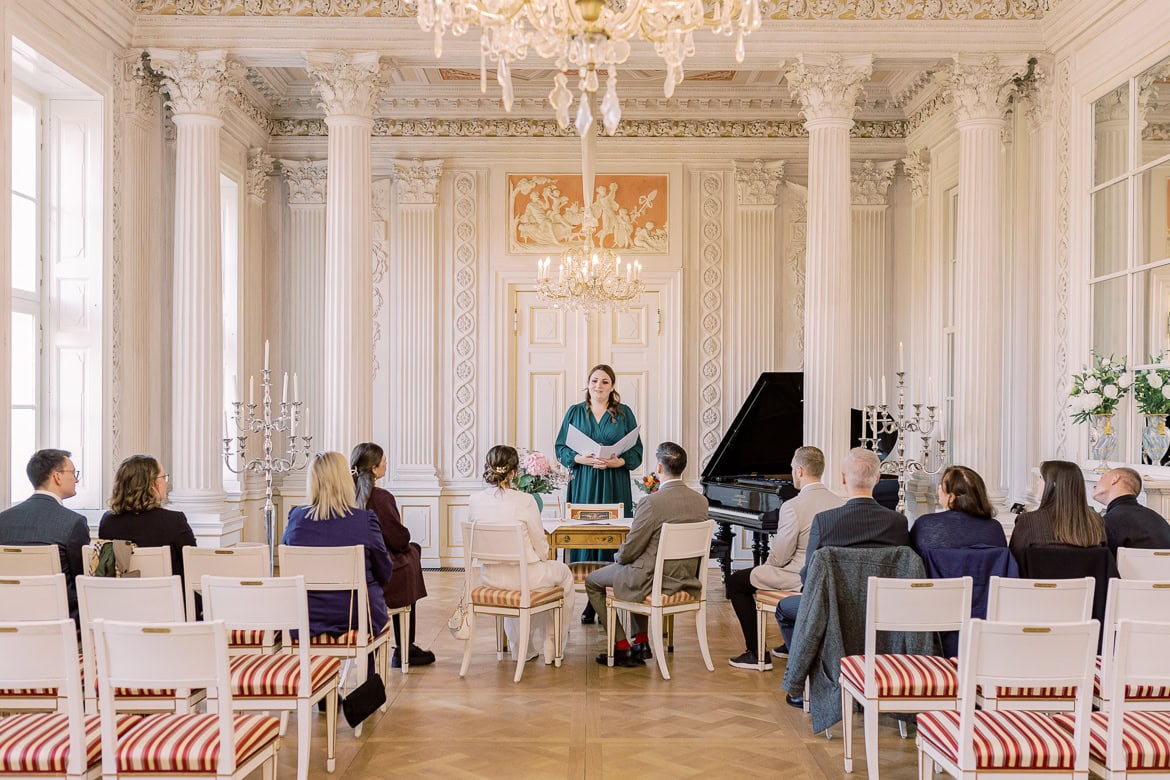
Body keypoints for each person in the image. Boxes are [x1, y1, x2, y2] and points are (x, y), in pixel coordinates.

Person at [776, 447, 909, 705]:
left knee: (785, 609)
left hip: (832, 609)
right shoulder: (897, 522)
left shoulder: (826, 521)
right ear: (878, 479)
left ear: (843, 479)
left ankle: (811, 682)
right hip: (883, 612)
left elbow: (809, 575)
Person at [584, 442, 710, 668]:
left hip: (653, 579)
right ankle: (641, 642)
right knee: (636, 568)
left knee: (593, 581)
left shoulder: (651, 503)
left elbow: (631, 548)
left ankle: (621, 646)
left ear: (660, 469)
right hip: (686, 578)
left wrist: (619, 558)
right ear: (683, 468)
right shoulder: (701, 501)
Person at [725, 446, 843, 671]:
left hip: (796, 576)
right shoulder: (839, 502)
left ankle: (756, 653)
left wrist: (765, 568)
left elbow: (780, 556)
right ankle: (792, 644)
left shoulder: (793, 506)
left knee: (737, 582)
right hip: (827, 575)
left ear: (799, 471)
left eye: (791, 469)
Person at [467, 445, 574, 664]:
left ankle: (521, 648)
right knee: (563, 575)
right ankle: (553, 644)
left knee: (522, 577)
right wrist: (544, 558)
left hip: (490, 578)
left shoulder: (474, 500)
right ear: (514, 472)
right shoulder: (525, 501)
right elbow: (541, 546)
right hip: (525, 578)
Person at [555, 363, 643, 624]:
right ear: (588, 383)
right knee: (585, 535)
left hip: (614, 481)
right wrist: (580, 458)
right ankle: (591, 600)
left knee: (612, 535)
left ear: (612, 386)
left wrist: (619, 462)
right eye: (594, 381)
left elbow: (636, 451)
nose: (599, 386)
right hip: (584, 481)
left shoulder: (624, 413)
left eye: (605, 382)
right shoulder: (575, 412)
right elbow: (560, 448)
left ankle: (608, 596)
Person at [283, 451, 393, 640]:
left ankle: (315, 669)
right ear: (345, 480)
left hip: (306, 615)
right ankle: (369, 670)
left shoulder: (296, 518)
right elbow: (384, 571)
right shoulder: (364, 520)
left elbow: (289, 570)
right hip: (357, 615)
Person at [350, 442, 435, 668]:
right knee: (411, 555)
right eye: (384, 459)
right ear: (375, 468)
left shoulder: (344, 496)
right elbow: (398, 540)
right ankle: (405, 646)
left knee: (411, 554)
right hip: (378, 575)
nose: (387, 462)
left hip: (350, 572)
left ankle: (405, 646)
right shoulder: (380, 498)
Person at [0, 448, 90, 621]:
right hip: (61, 619)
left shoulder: (3, 520)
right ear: (57, 476)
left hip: (8, 617)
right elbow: (82, 579)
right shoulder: (73, 522)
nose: (76, 479)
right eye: (73, 472)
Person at [98, 455, 196, 580]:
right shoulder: (174, 521)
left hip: (124, 596)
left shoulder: (108, 522)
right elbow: (192, 565)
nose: (166, 483)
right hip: (167, 597)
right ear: (150, 484)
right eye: (163, 477)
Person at [1009, 459, 1107, 564]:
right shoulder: (1096, 522)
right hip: (1088, 580)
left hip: (1038, 580)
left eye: (1041, 478)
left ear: (1053, 484)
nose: (1038, 482)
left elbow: (1014, 564)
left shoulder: (1027, 521)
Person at [910, 465, 1007, 554]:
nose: (939, 488)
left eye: (941, 485)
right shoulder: (995, 528)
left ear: (951, 497)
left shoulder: (925, 524)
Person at [1093, 466, 1170, 555]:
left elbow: (1099, 564)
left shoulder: (1109, 521)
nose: (1096, 483)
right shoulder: (1158, 520)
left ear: (1115, 479)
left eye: (1102, 477)